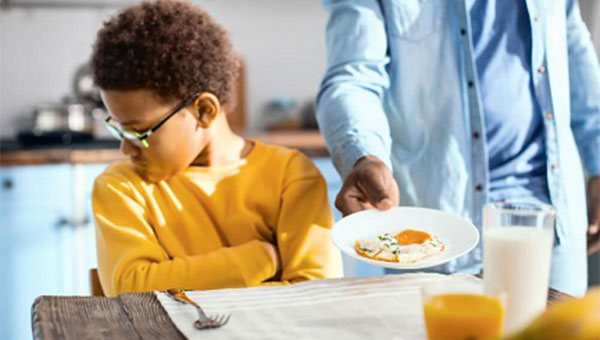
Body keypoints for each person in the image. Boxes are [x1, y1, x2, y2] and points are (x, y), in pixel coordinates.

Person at [316, 0, 599, 296]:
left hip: (554, 226)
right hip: (441, 238)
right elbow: (352, 79)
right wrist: (363, 155)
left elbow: (574, 49)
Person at [90, 0, 343, 297]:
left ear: (204, 111)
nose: (126, 149)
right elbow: (132, 288)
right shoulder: (121, 187)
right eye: (120, 129)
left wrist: (173, 278)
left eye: (140, 132)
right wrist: (260, 260)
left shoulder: (291, 177)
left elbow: (315, 296)